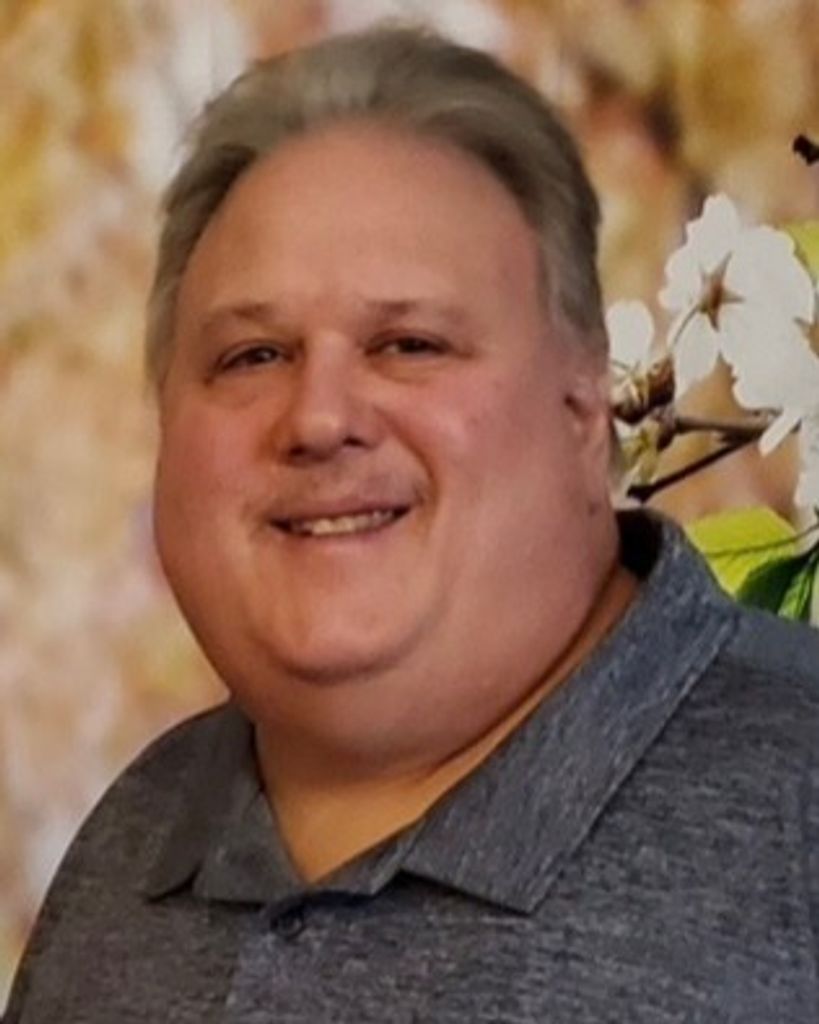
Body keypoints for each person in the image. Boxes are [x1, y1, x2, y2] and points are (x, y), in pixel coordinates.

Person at [6, 24, 819, 1024]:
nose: (319, 418)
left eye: (409, 344)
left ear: (582, 405)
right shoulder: (131, 843)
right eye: (254, 356)